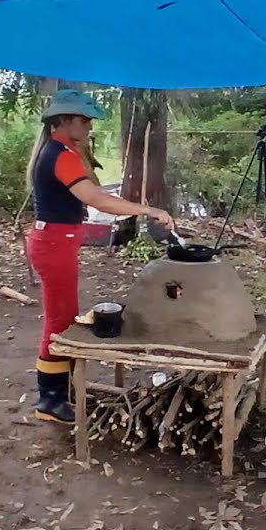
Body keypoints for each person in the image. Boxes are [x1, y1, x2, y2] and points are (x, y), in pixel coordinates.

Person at [25, 89, 174, 424]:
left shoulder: (61, 151)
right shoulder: (60, 155)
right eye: (85, 119)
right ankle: (50, 399)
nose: (89, 126)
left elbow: (95, 194)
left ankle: (59, 391)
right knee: (59, 321)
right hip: (53, 244)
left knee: (62, 317)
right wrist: (145, 209)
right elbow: (97, 200)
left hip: (56, 241)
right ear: (64, 121)